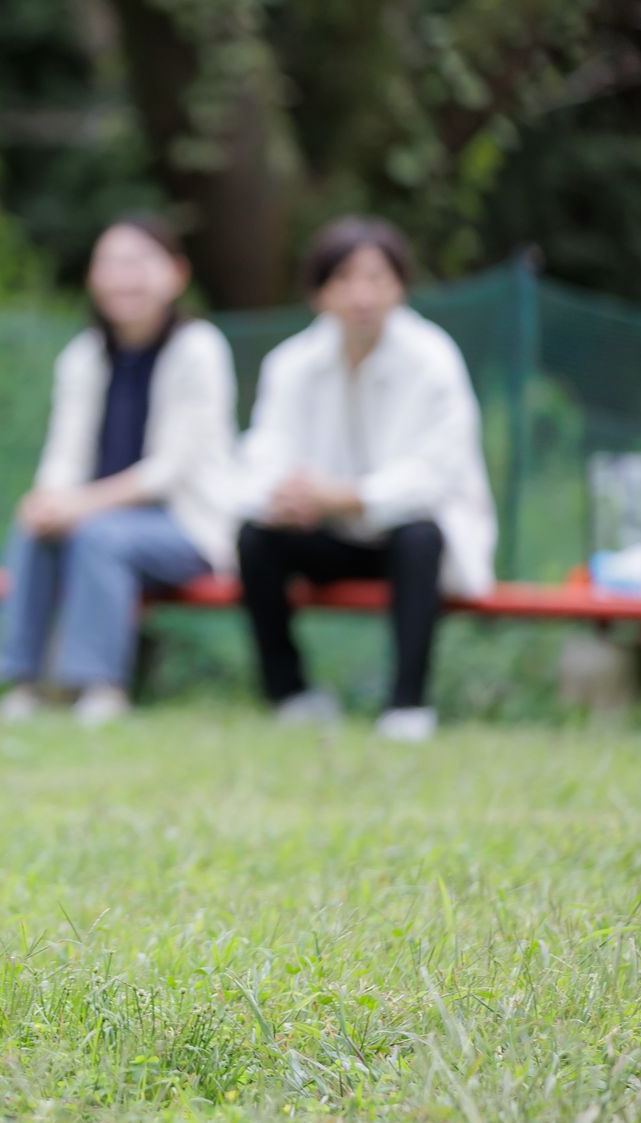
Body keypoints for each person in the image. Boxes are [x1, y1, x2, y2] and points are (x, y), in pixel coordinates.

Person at [236, 216, 496, 742]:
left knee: (421, 537)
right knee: (256, 540)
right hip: (327, 534)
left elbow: (437, 473)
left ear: (400, 286)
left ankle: (407, 704)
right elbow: (263, 452)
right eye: (345, 279)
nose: (362, 295)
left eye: (377, 278)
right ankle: (289, 694)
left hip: (404, 536)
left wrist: (349, 496)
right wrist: (284, 494)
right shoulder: (291, 364)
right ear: (319, 293)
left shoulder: (433, 359)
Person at [0, 215, 238, 726]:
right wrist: (50, 500)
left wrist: (80, 505)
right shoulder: (84, 356)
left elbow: (171, 470)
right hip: (101, 519)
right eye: (111, 264)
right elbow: (64, 455)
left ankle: (100, 686)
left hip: (189, 527)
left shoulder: (199, 348)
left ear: (176, 275)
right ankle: (24, 683)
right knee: (34, 527)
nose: (124, 277)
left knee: (100, 537)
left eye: (138, 263)